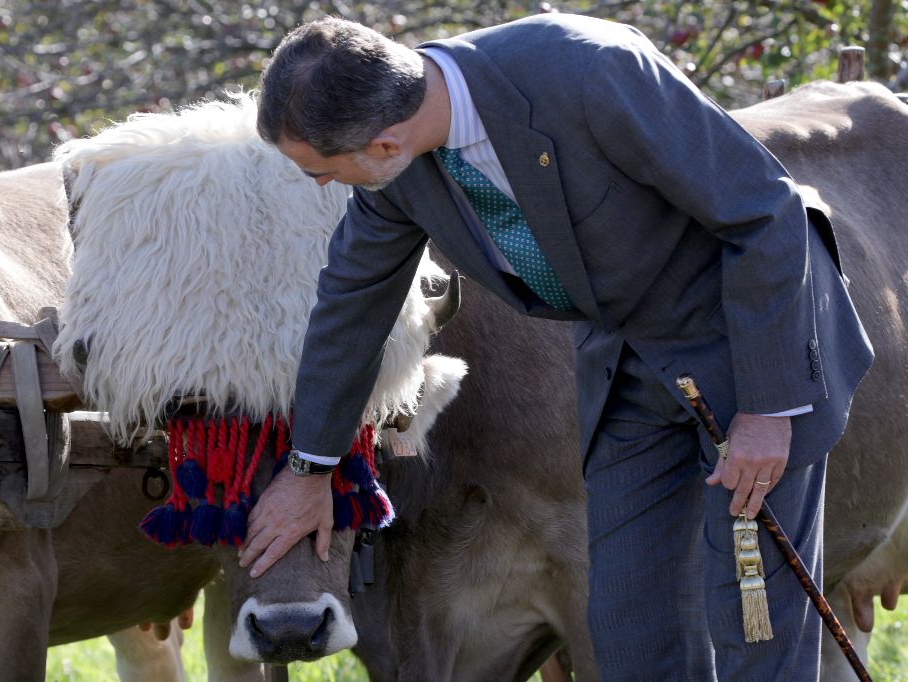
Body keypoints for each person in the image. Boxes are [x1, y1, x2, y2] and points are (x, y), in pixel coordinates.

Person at [238, 12, 873, 680]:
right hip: (625, 369)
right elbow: (349, 308)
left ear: (386, 144)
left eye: (321, 170)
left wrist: (771, 409)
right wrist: (310, 468)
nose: (321, 186)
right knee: (628, 631)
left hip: (746, 349)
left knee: (755, 620)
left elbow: (766, 212)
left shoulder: (588, 69)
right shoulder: (397, 173)